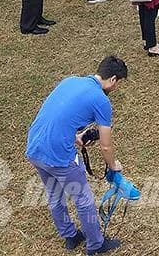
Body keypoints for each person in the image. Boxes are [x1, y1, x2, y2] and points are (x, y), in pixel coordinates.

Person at [25, 56, 127, 255]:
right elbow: (106, 145)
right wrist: (113, 165)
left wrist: (76, 136)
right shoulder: (101, 100)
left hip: (35, 147)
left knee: (55, 195)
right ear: (113, 79)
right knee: (84, 200)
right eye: (118, 84)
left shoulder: (70, 80)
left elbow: (56, 116)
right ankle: (96, 244)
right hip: (59, 156)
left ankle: (70, 235)